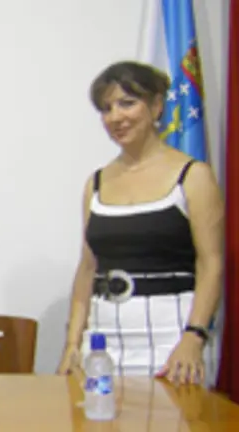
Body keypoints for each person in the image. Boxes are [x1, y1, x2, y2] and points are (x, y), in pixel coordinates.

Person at [57, 61, 224, 385]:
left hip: (172, 336)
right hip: (104, 338)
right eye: (106, 109)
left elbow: (212, 263)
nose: (115, 117)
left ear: (157, 105)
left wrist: (194, 336)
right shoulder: (97, 182)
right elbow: (88, 268)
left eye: (127, 103)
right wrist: (72, 344)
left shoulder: (193, 176)